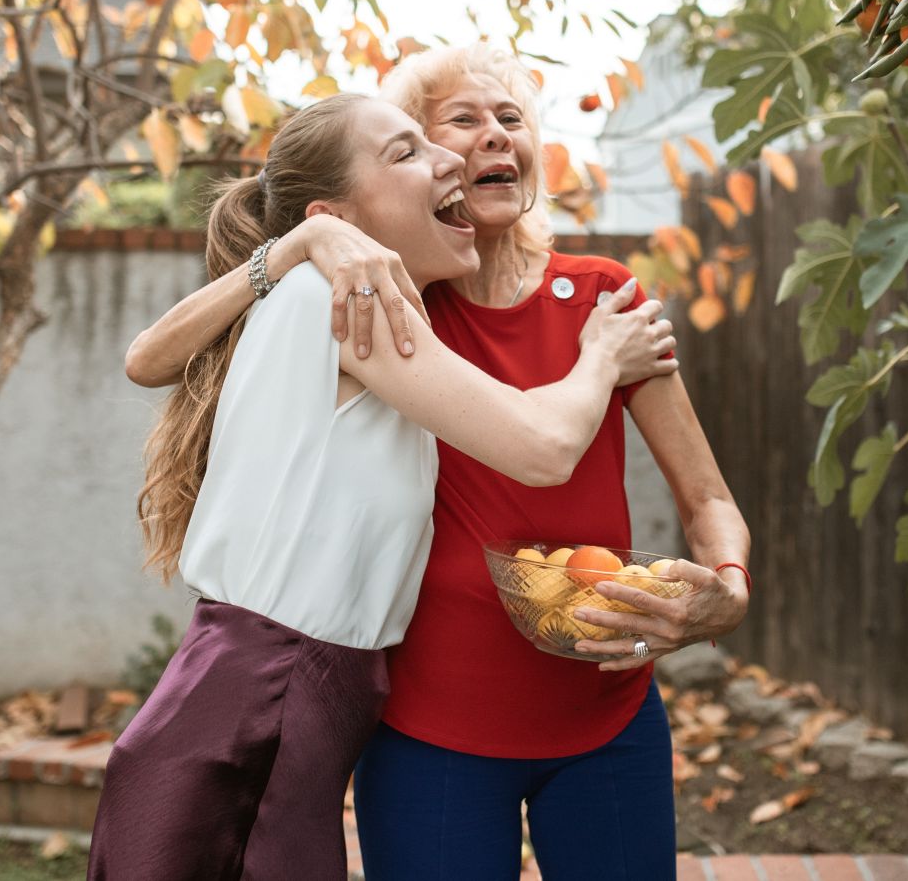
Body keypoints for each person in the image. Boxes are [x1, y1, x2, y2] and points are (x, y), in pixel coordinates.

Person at [124, 44, 753, 880]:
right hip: (423, 726)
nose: (487, 139)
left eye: (510, 119)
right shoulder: (382, 303)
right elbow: (543, 445)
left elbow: (707, 493)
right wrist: (311, 240)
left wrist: (729, 589)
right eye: (455, 125)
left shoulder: (603, 296)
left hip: (603, 711)